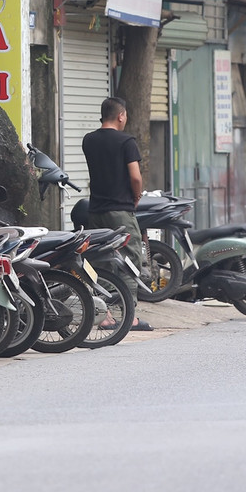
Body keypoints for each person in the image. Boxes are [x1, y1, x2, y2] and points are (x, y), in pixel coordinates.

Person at [82, 95, 151, 331]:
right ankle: (129, 317)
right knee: (129, 262)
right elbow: (135, 176)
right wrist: (137, 195)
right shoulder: (126, 141)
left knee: (101, 263)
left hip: (96, 212)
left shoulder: (88, 140)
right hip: (120, 211)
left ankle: (106, 315)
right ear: (121, 115)